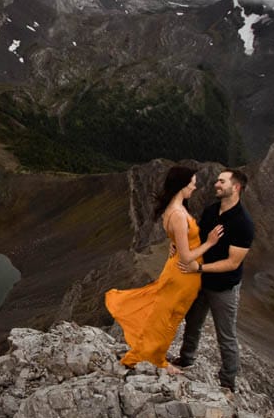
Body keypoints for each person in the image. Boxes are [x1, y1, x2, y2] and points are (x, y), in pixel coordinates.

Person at [105, 165, 224, 372]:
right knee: (168, 317)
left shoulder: (174, 209)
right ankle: (154, 358)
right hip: (183, 274)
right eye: (192, 184)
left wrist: (177, 243)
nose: (194, 187)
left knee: (166, 315)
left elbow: (180, 240)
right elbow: (187, 257)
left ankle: (154, 354)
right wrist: (210, 243)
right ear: (182, 185)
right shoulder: (178, 214)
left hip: (177, 271)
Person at [177, 167, 255, 393]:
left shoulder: (244, 223)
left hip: (224, 288)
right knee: (193, 322)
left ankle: (228, 382)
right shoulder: (211, 211)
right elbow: (198, 239)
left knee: (226, 335)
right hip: (202, 282)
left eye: (222, 181)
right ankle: (186, 360)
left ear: (236, 187)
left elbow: (232, 263)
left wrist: (199, 268)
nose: (216, 184)